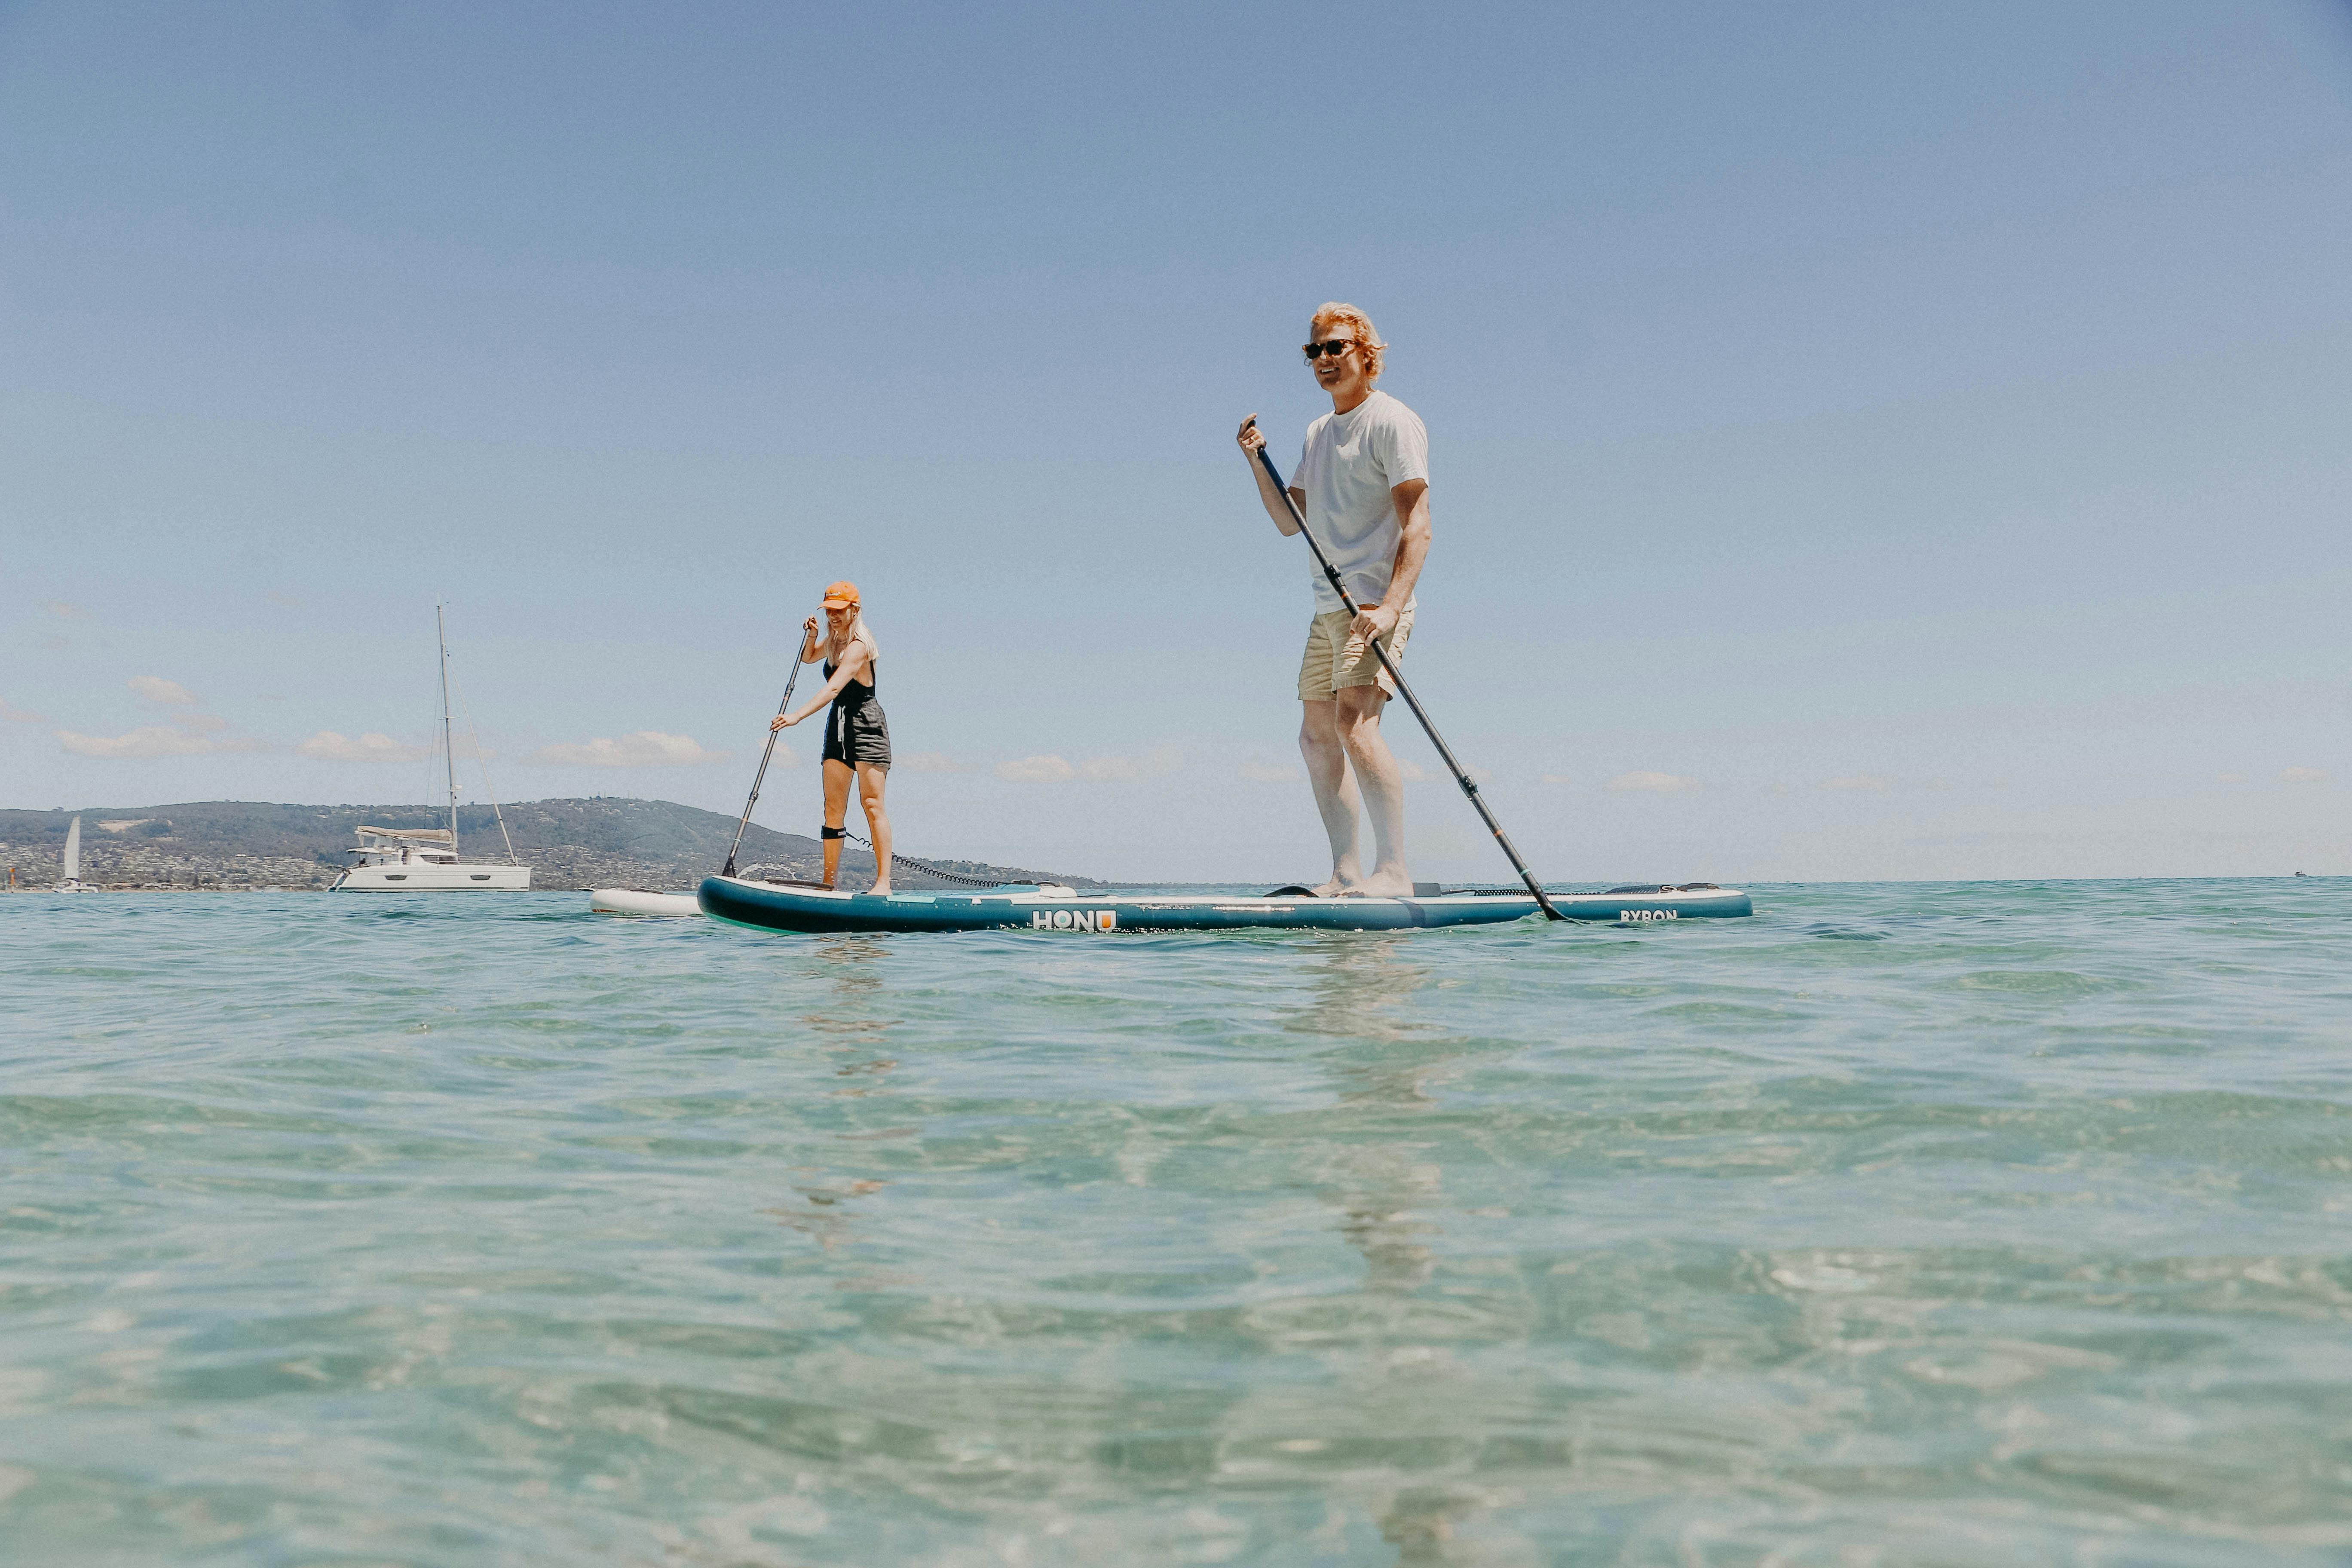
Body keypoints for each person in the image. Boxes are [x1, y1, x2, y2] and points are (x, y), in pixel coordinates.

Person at [1236, 302, 1430, 897]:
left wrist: (1390, 608)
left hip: (1373, 606)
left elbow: (1419, 525)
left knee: (1356, 726)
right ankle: (1346, 873)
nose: (1323, 358)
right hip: (1327, 608)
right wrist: (1255, 462)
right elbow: (1288, 521)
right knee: (1316, 735)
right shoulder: (1319, 432)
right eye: (1313, 350)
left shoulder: (1393, 421)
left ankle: (1394, 872)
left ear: (1367, 354)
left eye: (1335, 346)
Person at [771, 581, 894, 894]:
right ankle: (829, 883)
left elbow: (835, 687)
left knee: (872, 804)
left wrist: (797, 716)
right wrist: (813, 636)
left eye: (840, 611)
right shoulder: (835, 639)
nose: (834, 616)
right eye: (829, 611)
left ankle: (883, 883)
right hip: (838, 725)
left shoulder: (859, 645)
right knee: (833, 809)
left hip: (866, 725)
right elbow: (809, 657)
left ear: (855, 610)